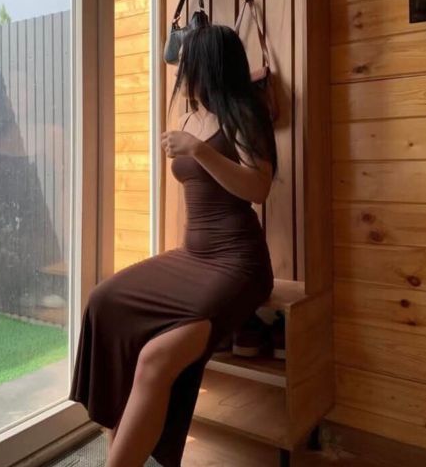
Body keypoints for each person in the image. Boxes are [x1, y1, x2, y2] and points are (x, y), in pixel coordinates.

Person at [68, 24, 277, 467]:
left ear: (210, 68)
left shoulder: (244, 115)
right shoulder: (188, 118)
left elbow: (257, 188)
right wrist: (193, 145)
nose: (182, 76)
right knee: (104, 302)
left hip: (238, 263)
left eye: (188, 67)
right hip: (193, 256)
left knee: (155, 357)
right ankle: (120, 444)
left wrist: (199, 150)